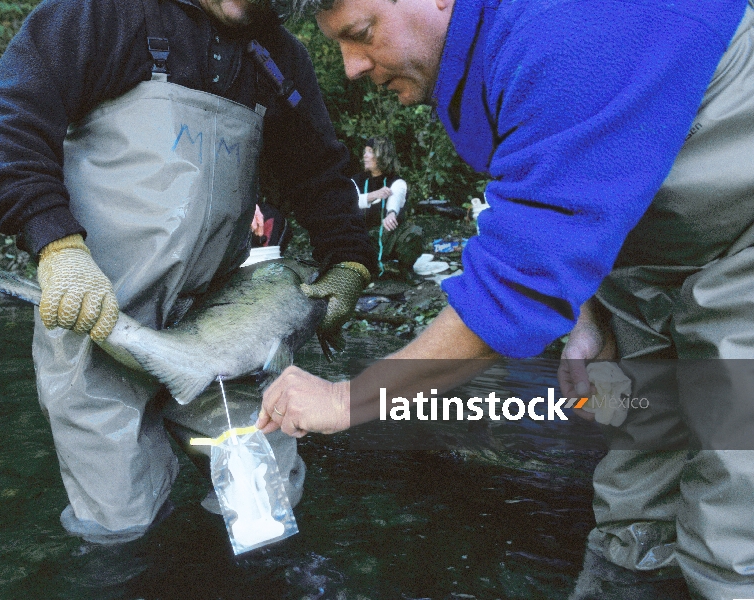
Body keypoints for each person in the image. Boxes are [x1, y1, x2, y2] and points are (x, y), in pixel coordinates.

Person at [258, 0, 754, 597]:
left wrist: (348, 400)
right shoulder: (481, 59)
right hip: (654, 266)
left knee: (733, 515)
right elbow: (572, 196)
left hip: (740, 240)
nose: (352, 67)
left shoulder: (561, 27)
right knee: (634, 495)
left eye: (361, 35)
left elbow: (516, 286)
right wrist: (587, 315)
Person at [0, 0, 374, 551]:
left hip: (222, 326)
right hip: (95, 320)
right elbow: (9, 122)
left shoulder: (279, 57)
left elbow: (321, 173)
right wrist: (56, 244)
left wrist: (349, 261)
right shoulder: (97, 14)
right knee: (120, 534)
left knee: (266, 508)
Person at [352, 136, 424, 278]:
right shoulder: (356, 180)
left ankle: (403, 269)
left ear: (382, 155)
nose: (365, 156)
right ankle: (368, 267)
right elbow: (349, 201)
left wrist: (391, 213)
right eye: (365, 152)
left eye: (370, 152)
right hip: (363, 238)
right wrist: (372, 195)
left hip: (387, 237)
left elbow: (395, 198)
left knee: (414, 232)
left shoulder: (397, 181)